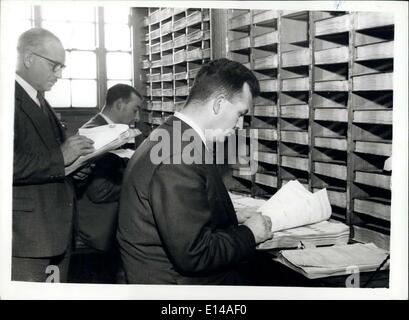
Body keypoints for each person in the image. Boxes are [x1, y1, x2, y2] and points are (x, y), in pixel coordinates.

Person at [117, 58, 273, 285]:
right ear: (219, 104)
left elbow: (176, 215)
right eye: (240, 114)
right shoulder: (178, 157)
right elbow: (195, 254)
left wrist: (226, 216)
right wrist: (250, 233)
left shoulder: (170, 136)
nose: (239, 125)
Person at [13, 28, 95, 282]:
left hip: (53, 233)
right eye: (54, 66)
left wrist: (75, 166)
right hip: (27, 240)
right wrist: (61, 156)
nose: (59, 74)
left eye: (62, 67)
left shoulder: (38, 98)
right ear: (29, 59)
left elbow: (46, 155)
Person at [74, 84, 145, 283]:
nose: (137, 117)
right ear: (120, 104)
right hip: (99, 229)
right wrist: (136, 187)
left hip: (102, 224)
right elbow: (99, 192)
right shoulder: (99, 133)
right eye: (135, 109)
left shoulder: (103, 128)